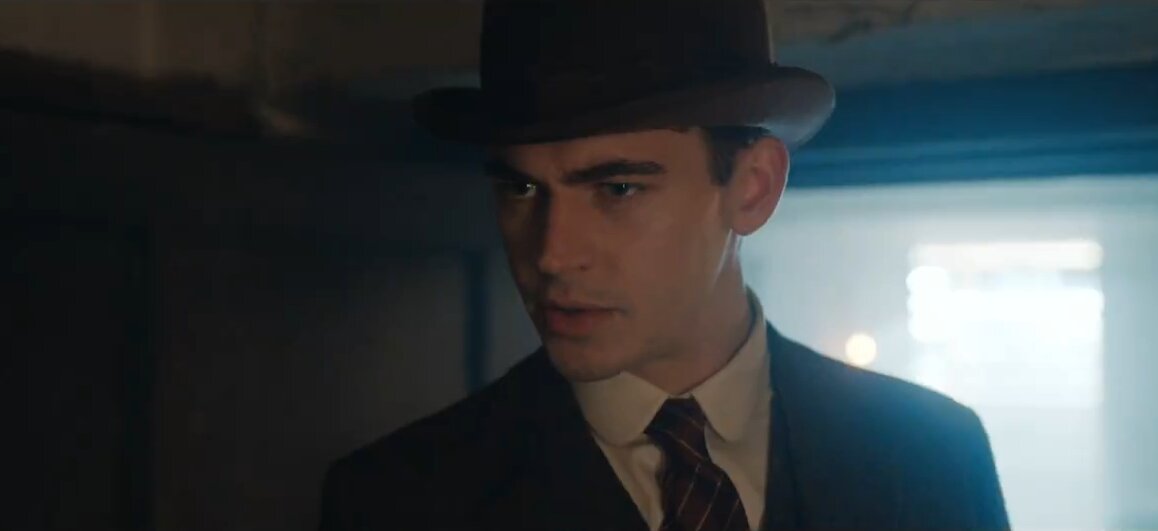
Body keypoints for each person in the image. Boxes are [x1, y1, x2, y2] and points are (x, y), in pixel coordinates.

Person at [319, 1, 1010, 529]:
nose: (552, 253)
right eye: (521, 188)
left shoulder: (930, 455)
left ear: (752, 187)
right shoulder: (398, 499)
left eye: (618, 189)